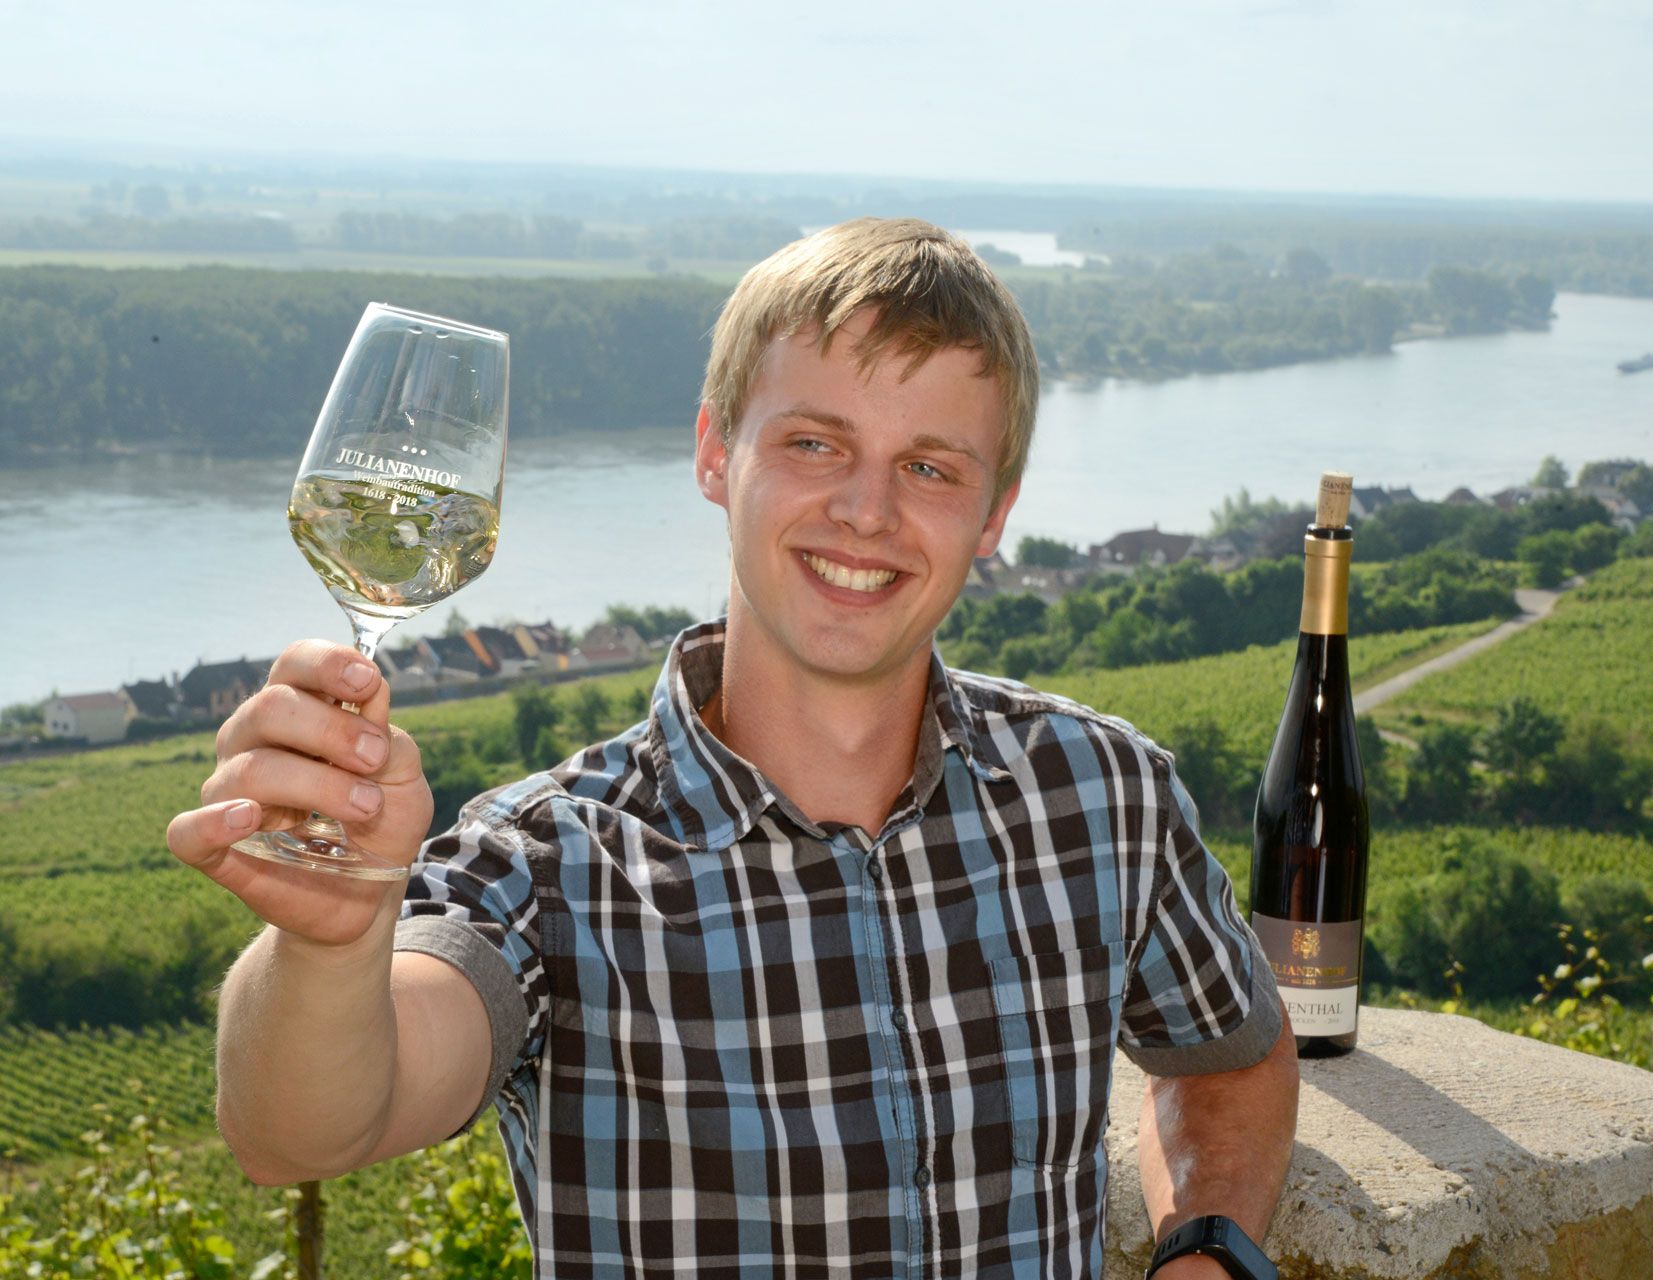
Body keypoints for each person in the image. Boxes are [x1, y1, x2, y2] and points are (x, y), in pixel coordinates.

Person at [169, 218, 1299, 1279]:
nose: (866, 509)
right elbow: (304, 1127)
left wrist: (1207, 1245)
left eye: (930, 467)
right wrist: (332, 941)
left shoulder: (1101, 794)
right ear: (716, 452)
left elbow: (1235, 1056)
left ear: (993, 513)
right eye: (815, 442)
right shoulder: (550, 863)